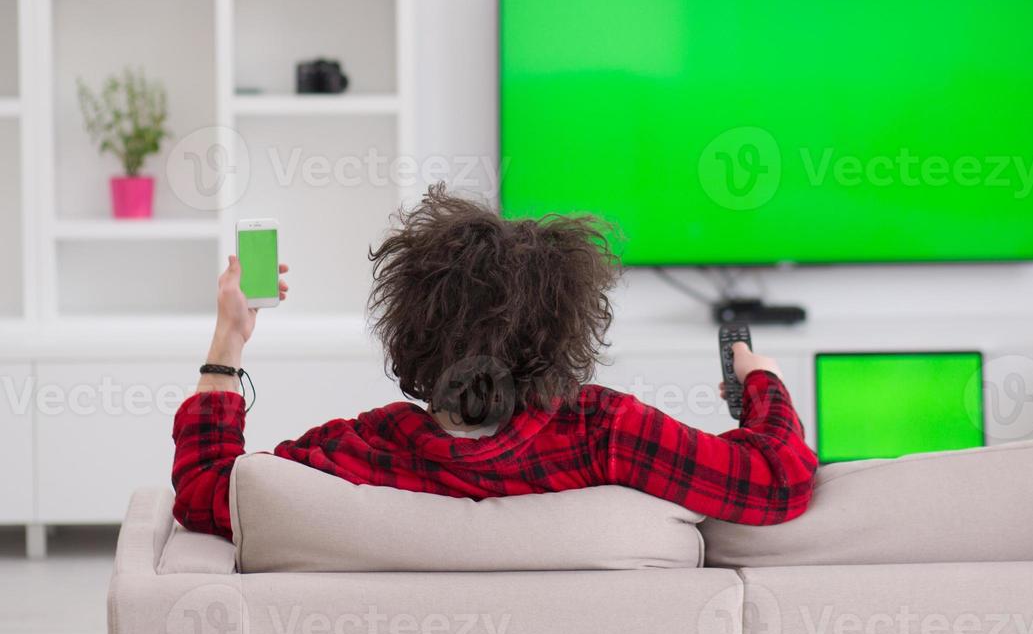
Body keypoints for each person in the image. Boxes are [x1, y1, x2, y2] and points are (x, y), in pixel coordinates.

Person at [172, 186, 817, 539]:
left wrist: (229, 339)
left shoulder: (365, 449)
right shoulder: (607, 433)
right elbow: (779, 479)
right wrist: (763, 381)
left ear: (412, 329)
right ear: (567, 328)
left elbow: (205, 491)